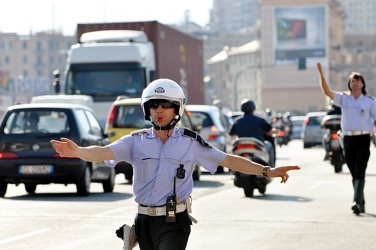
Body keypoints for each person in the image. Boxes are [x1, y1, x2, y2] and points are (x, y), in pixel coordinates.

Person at [51, 79, 300, 250]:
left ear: (176, 109)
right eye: (154, 105)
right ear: (147, 110)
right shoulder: (135, 141)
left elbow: (228, 160)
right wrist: (79, 151)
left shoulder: (190, 143)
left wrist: (266, 170)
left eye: (166, 105)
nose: (159, 110)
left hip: (174, 222)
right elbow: (103, 152)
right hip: (143, 222)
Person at [317, 62, 376, 215]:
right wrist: (322, 76)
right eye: (351, 80)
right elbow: (328, 92)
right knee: (353, 170)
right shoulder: (344, 99)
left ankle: (356, 201)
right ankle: (360, 202)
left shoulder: (370, 101)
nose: (354, 82)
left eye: (356, 80)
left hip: (363, 138)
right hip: (348, 139)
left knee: (360, 169)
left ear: (362, 83)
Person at [229, 99, 276, 168]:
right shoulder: (259, 120)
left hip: (241, 145)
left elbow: (231, 134)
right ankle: (271, 168)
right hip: (257, 144)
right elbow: (269, 132)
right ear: (253, 108)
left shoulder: (237, 121)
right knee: (270, 146)